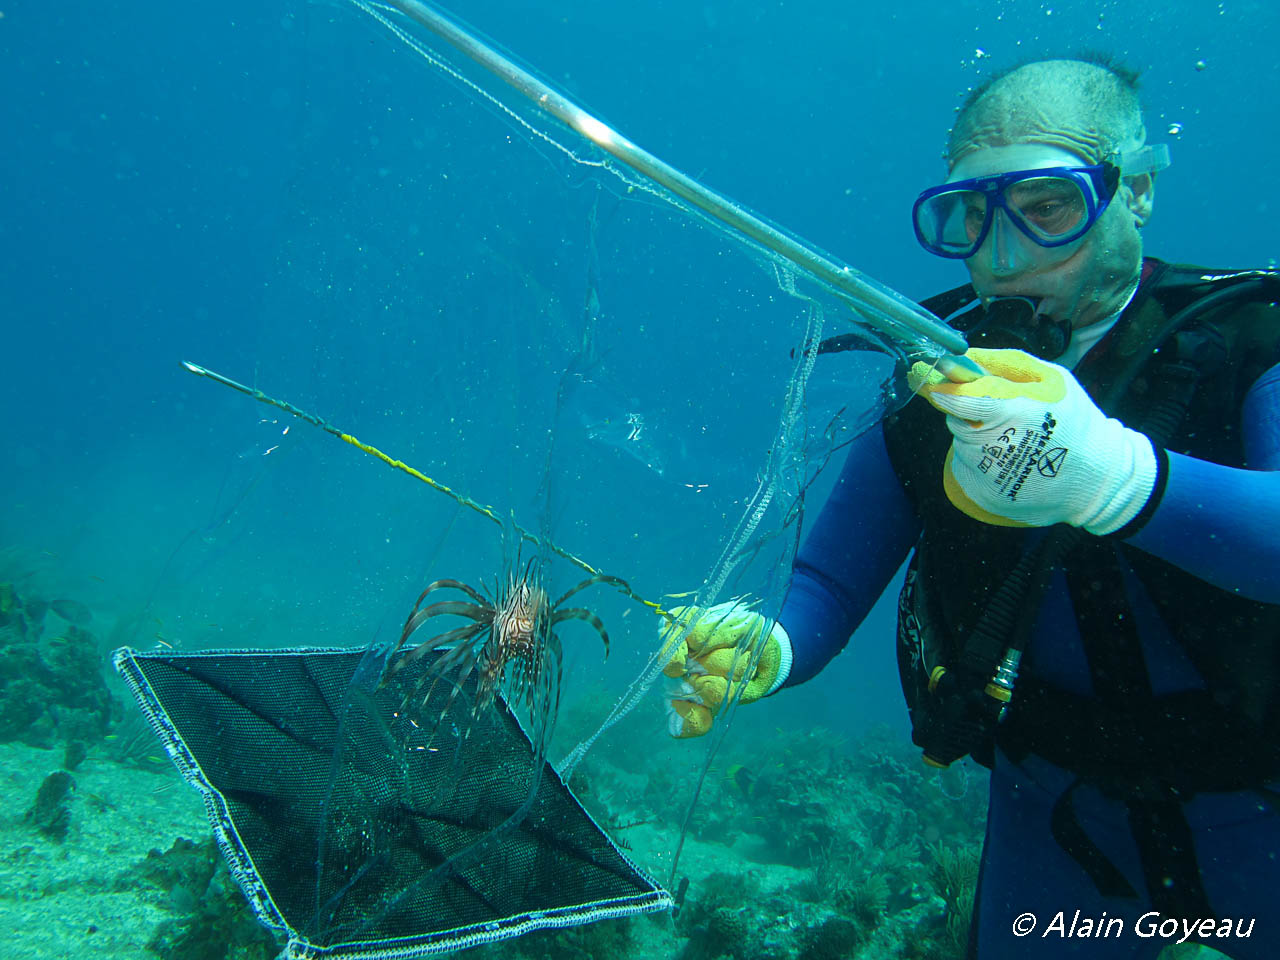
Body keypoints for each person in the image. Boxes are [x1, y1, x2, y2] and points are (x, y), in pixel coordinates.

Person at [659, 57, 1280, 959]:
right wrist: (770, 645)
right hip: (1057, 813)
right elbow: (831, 579)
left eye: (1048, 207)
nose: (1001, 257)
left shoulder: (1253, 334)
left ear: (1137, 191)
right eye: (969, 217)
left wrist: (1115, 478)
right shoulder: (932, 380)